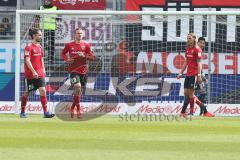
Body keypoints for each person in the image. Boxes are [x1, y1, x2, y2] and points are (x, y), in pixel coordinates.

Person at [20, 28, 55, 118]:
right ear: (34, 36)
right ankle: (22, 112)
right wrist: (33, 71)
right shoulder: (28, 47)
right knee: (27, 92)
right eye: (39, 35)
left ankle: (46, 113)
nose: (41, 36)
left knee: (43, 90)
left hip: (40, 73)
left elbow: (41, 59)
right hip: (30, 75)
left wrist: (43, 69)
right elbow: (27, 61)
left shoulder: (40, 46)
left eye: (41, 35)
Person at [177, 33, 214, 117]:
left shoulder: (197, 49)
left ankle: (196, 111)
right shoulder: (187, 49)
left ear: (194, 39)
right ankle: (199, 110)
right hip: (188, 74)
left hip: (194, 75)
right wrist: (180, 72)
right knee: (186, 94)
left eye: (189, 38)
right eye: (187, 38)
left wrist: (199, 75)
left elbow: (199, 63)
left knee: (191, 94)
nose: (188, 40)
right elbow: (186, 62)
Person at [61, 28, 95, 118]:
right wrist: (67, 60)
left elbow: (92, 57)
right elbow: (63, 54)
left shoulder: (86, 45)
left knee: (78, 92)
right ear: (74, 34)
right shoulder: (69, 45)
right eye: (78, 33)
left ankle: (72, 108)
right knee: (77, 87)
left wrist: (84, 55)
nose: (79, 35)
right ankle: (79, 110)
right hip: (73, 70)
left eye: (81, 33)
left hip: (83, 71)